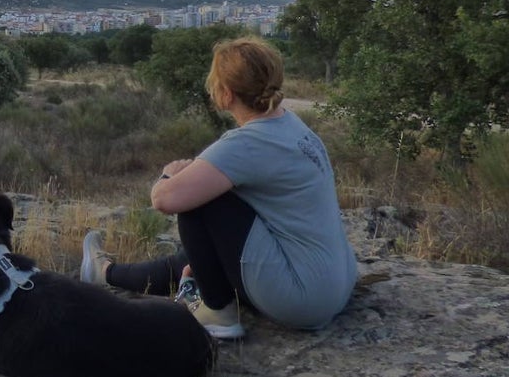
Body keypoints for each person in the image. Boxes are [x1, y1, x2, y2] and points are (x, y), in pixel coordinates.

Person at [80, 36, 357, 339]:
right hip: (333, 285)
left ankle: (218, 314)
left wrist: (169, 175)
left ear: (225, 93)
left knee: (200, 203)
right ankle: (105, 273)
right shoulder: (292, 126)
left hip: (301, 298)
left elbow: (165, 200)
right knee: (195, 261)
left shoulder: (248, 143)